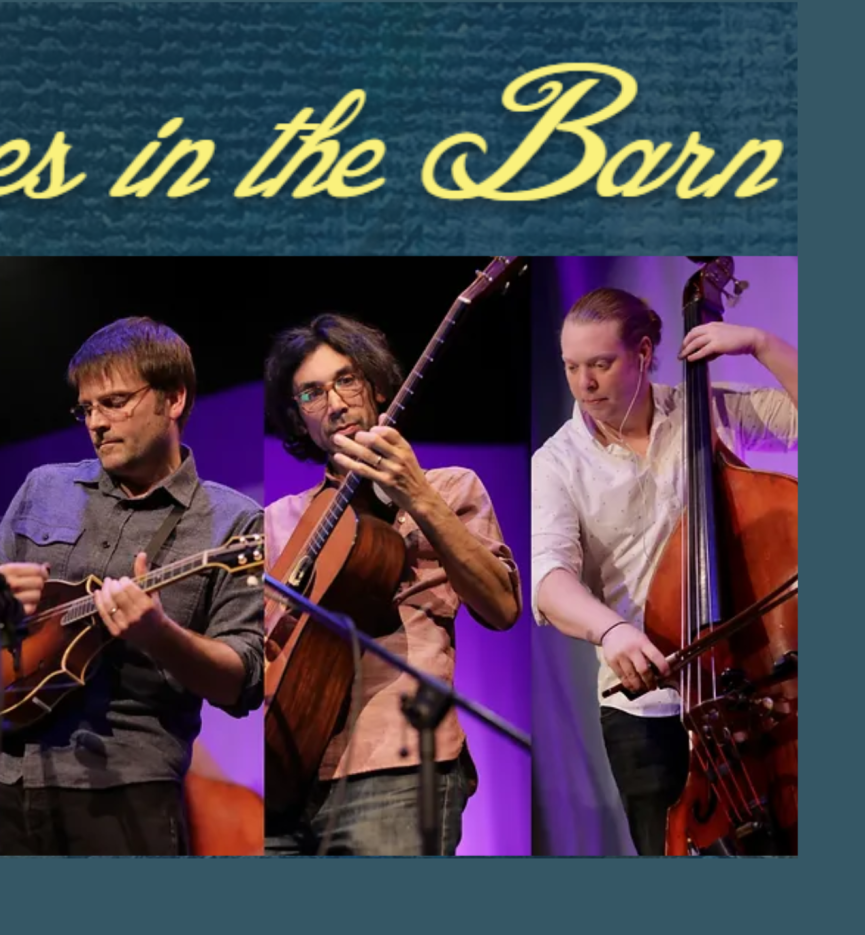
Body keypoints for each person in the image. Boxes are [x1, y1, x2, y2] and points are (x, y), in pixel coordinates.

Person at [531, 286, 798, 856]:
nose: (584, 383)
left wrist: (760, 343)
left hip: (754, 691)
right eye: (572, 367)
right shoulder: (556, 463)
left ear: (645, 353)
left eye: (600, 364)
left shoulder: (707, 410)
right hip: (646, 709)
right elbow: (550, 580)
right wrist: (612, 629)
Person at [0, 317, 263, 856]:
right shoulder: (43, 488)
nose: (95, 422)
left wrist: (159, 633)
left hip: (128, 790)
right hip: (6, 775)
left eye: (114, 402)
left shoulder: (236, 522)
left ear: (174, 399)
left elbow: (243, 681)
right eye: (86, 408)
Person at [262, 313, 521, 856]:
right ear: (299, 419)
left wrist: (417, 497)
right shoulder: (279, 519)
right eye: (311, 393)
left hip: (397, 767)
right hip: (284, 773)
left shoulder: (449, 488)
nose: (334, 403)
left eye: (347, 380)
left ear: (378, 387)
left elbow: (500, 608)